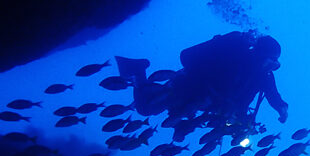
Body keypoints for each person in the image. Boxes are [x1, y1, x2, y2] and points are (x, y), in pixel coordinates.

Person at [118, 30, 289, 127]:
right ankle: (137, 69)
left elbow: (273, 94)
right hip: (190, 89)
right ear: (261, 54)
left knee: (156, 110)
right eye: (272, 60)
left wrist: (282, 108)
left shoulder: (264, 76)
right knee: (146, 107)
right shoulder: (237, 56)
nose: (273, 65)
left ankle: (138, 74)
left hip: (211, 104)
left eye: (275, 62)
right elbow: (205, 70)